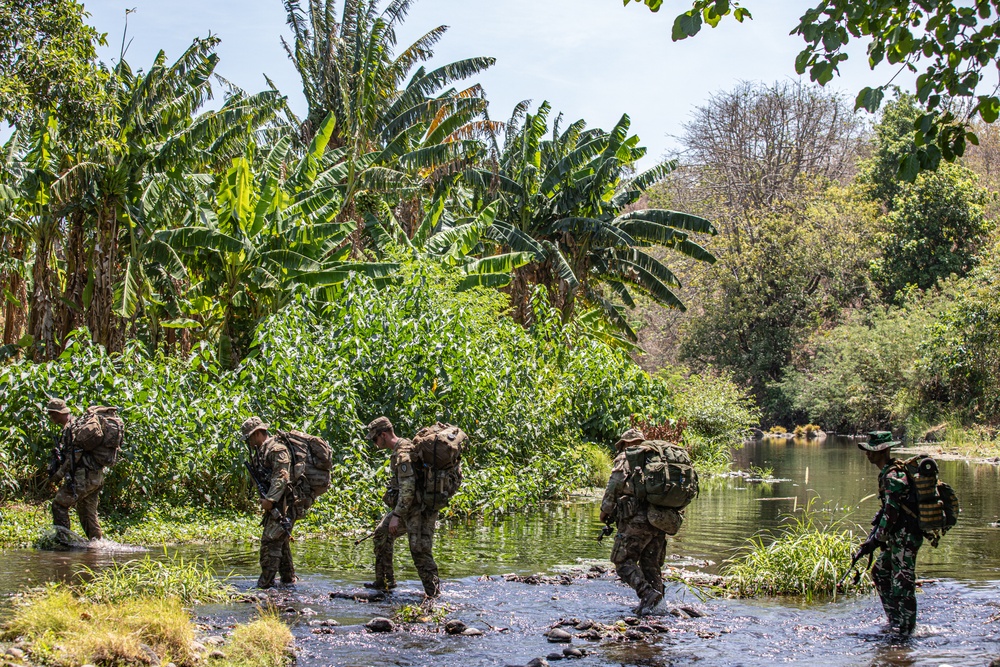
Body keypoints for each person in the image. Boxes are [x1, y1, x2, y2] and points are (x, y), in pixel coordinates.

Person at [600, 428, 683, 616]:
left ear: (627, 444)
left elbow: (615, 483)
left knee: (621, 561)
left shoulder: (628, 456)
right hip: (660, 518)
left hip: (636, 519)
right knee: (651, 563)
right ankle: (657, 607)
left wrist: (605, 510)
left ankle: (647, 595)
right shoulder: (657, 458)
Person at [365, 416, 441, 598]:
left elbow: (408, 489)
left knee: (420, 551)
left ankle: (434, 594)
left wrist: (397, 516)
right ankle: (384, 582)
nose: (375, 443)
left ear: (383, 435)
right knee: (381, 534)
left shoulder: (403, 454)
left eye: (375, 439)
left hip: (418, 510)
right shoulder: (401, 449)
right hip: (408, 508)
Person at [856, 430, 923, 635]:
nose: (868, 454)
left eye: (872, 450)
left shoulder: (893, 476)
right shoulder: (888, 472)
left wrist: (875, 541)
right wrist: (874, 537)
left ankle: (907, 630)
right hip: (897, 536)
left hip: (906, 537)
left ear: (884, 450)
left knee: (903, 583)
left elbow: (892, 513)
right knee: (880, 571)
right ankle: (895, 621)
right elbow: (887, 510)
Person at [242, 416, 297, 589]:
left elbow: (282, 477)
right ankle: (289, 582)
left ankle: (264, 585)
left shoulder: (276, 449)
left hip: (284, 504)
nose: (249, 442)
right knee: (281, 540)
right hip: (277, 504)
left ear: (258, 433)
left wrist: (270, 500)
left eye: (250, 437)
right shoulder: (262, 452)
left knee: (270, 541)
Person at [47, 398, 106, 540]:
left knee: (59, 505)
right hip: (95, 476)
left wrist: (59, 475)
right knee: (87, 513)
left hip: (84, 477)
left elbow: (75, 456)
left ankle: (63, 542)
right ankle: (96, 546)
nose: (50, 417)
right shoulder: (76, 425)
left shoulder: (71, 428)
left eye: (51, 413)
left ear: (58, 413)